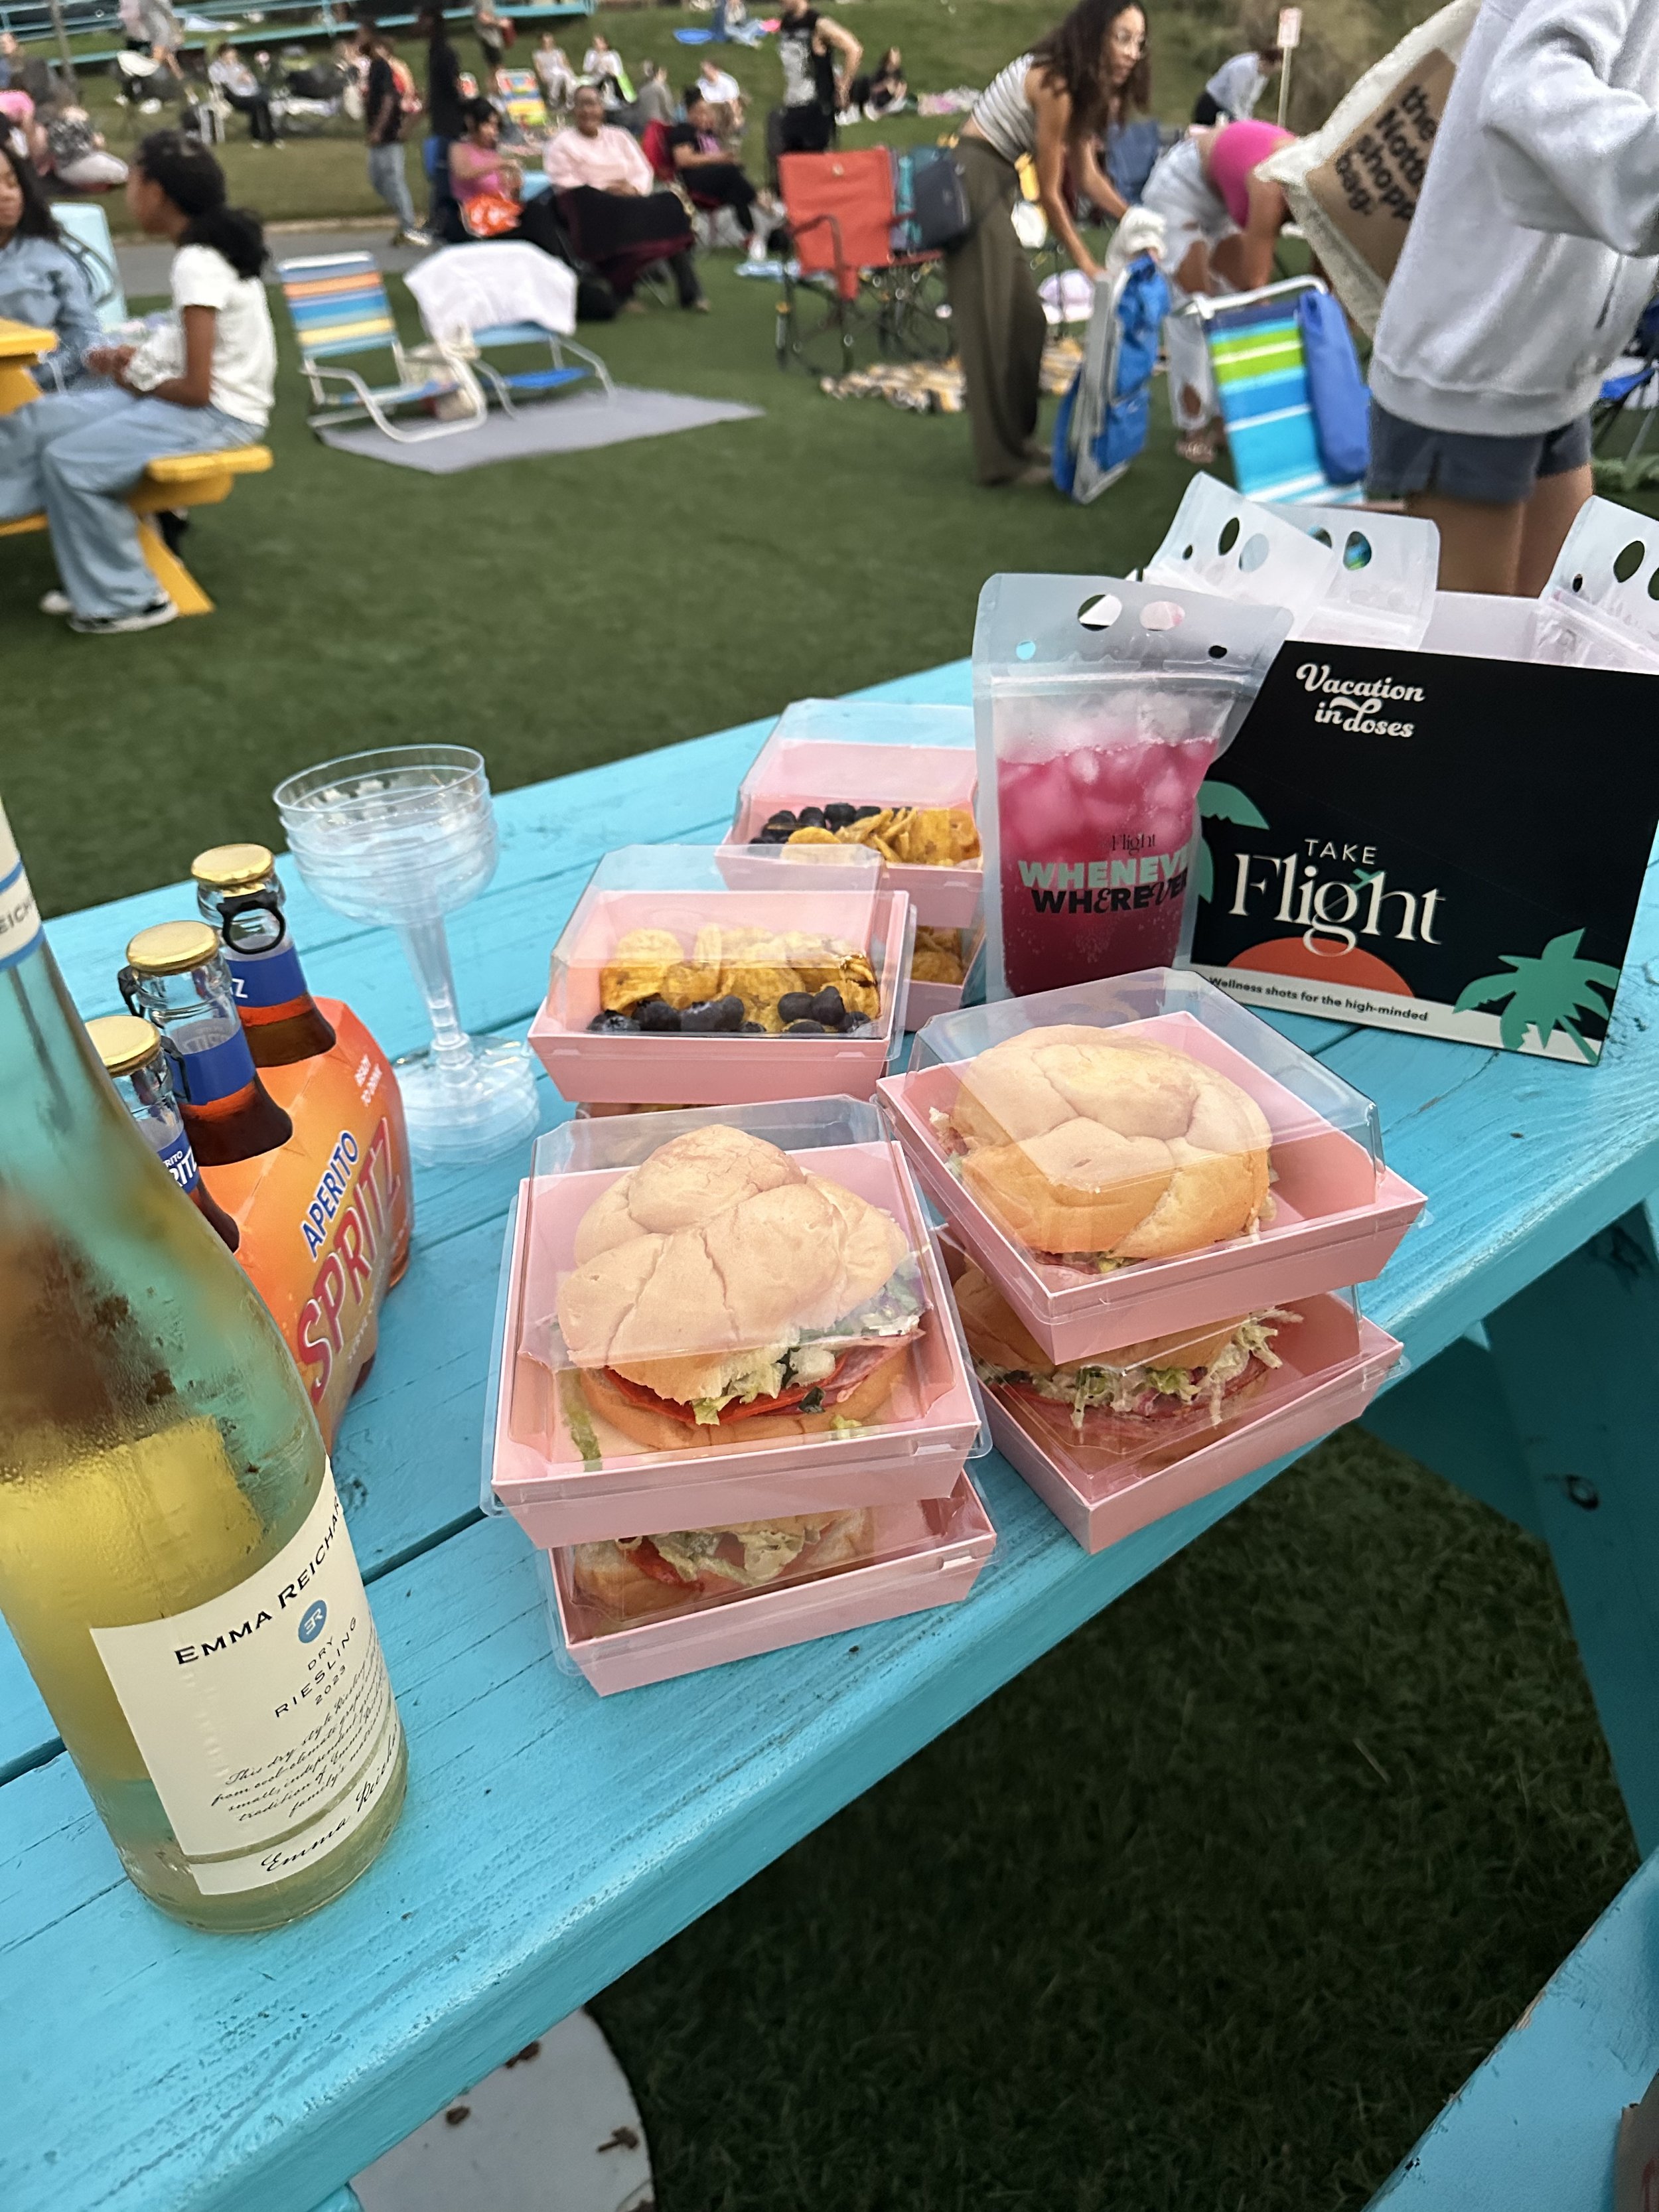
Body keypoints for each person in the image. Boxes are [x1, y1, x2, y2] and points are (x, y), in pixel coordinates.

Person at [1367, 0, 1659, 596]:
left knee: (1550, 642)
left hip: (1555, 366)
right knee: (1472, 667)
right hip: (1474, 359)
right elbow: (1530, 86)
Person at [0, 130, 273, 634]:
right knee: (43, 417)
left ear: (157, 193)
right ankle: (95, 576)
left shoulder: (198, 263)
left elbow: (198, 389)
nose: (128, 191)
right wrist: (138, 360)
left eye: (133, 179)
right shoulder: (203, 253)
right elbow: (192, 350)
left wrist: (135, 377)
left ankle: (130, 598)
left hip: (216, 416)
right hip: (188, 405)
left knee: (71, 460)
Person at [946, 0, 1147, 486]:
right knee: (992, 325)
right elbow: (1053, 196)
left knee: (1030, 322)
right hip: (973, 174)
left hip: (992, 181)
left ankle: (1018, 442)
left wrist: (1138, 217)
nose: (1132, 53)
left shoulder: (1076, 86)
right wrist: (1086, 264)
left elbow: (1088, 174)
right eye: (1122, 37)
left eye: (1140, 43)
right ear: (1096, 33)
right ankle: (1001, 463)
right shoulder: (1055, 82)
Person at [1139, 116, 1292, 463]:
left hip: (1221, 200)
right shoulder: (1270, 186)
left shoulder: (1313, 183)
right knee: (1194, 307)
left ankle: (1228, 421)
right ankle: (1192, 428)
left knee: (1236, 307)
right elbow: (1258, 285)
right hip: (1179, 189)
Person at [544, 82, 704, 309]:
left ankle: (690, 292)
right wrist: (604, 190)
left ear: (602, 109)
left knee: (670, 203)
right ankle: (624, 292)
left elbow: (643, 170)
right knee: (608, 208)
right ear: (574, 110)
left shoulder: (619, 136)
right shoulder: (561, 144)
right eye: (583, 105)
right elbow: (563, 182)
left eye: (594, 105)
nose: (589, 111)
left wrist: (634, 189)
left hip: (630, 198)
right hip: (591, 205)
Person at [0, 139, 102, 385]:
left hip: (47, 386)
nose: (6, 194)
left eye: (11, 182)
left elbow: (85, 335)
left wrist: (41, 376)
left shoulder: (50, 258)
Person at [766, 0, 860, 182]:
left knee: (817, 169)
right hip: (793, 104)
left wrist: (843, 87)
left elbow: (853, 49)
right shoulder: (786, 22)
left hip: (815, 106)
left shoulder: (817, 23)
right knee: (789, 170)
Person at [358, 25, 425, 245]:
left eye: (361, 34)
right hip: (379, 134)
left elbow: (389, 100)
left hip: (388, 134)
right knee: (378, 180)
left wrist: (378, 129)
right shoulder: (374, 67)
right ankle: (404, 219)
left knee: (394, 180)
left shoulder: (383, 68)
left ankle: (408, 226)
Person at [671, 87, 761, 249]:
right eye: (701, 113)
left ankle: (752, 237)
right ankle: (761, 201)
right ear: (691, 114)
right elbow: (683, 160)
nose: (706, 116)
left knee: (735, 188)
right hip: (695, 180)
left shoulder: (708, 134)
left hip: (716, 179)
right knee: (731, 174)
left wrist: (727, 160)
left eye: (707, 113)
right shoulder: (683, 131)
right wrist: (719, 158)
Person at [418, 5, 466, 238]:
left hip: (450, 121)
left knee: (445, 172)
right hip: (441, 121)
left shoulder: (445, 53)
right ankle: (439, 216)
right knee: (440, 171)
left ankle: (443, 218)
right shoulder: (435, 51)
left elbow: (453, 87)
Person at [33, 100, 129, 190]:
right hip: (79, 163)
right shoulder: (77, 124)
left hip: (62, 170)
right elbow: (97, 145)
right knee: (121, 171)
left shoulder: (51, 126)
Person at [208, 42, 279, 146]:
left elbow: (253, 84)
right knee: (258, 103)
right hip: (232, 96)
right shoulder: (216, 68)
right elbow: (219, 82)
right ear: (223, 55)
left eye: (234, 55)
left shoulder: (239, 66)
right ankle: (259, 136)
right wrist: (237, 78)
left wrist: (248, 79)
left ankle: (270, 136)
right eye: (229, 56)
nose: (232, 58)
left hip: (249, 95)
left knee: (263, 102)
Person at [1192, 44, 1279, 125]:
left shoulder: (1263, 76)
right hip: (1213, 105)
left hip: (1229, 112)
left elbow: (1248, 102)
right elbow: (1233, 99)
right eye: (1273, 70)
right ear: (1266, 63)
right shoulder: (1244, 68)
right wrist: (1241, 123)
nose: (1272, 74)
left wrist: (1247, 122)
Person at [849, 46, 906, 119]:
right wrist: (885, 86)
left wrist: (898, 91)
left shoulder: (898, 73)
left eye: (898, 56)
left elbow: (901, 88)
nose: (897, 58)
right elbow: (873, 89)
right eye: (895, 56)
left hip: (892, 101)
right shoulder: (881, 73)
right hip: (878, 103)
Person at [695, 53, 744, 136]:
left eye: (707, 69)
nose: (704, 71)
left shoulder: (728, 82)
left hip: (725, 112)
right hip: (708, 113)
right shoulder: (700, 84)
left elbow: (733, 102)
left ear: (715, 69)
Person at [582, 32, 632, 110]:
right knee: (603, 79)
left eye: (599, 43)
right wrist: (596, 63)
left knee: (608, 78)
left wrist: (609, 68)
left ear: (605, 44)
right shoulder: (591, 54)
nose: (597, 46)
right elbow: (587, 70)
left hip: (610, 77)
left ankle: (621, 100)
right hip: (596, 79)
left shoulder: (613, 55)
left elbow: (618, 72)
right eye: (595, 43)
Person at [534, 33, 577, 114]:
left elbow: (566, 64)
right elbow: (538, 67)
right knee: (559, 76)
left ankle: (570, 101)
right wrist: (541, 76)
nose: (548, 44)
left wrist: (568, 70)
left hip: (560, 70)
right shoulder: (538, 54)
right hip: (548, 72)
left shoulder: (558, 52)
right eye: (545, 42)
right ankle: (553, 99)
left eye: (549, 41)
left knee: (567, 76)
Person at [634, 62, 674, 130]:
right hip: (658, 124)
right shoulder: (660, 87)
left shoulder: (642, 88)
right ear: (658, 74)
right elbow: (668, 108)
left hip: (642, 123)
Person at [473, 0, 508, 80]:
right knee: (498, 69)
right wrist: (500, 23)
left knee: (494, 69)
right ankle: (496, 90)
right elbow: (483, 18)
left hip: (493, 38)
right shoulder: (482, 2)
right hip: (489, 39)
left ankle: (493, 91)